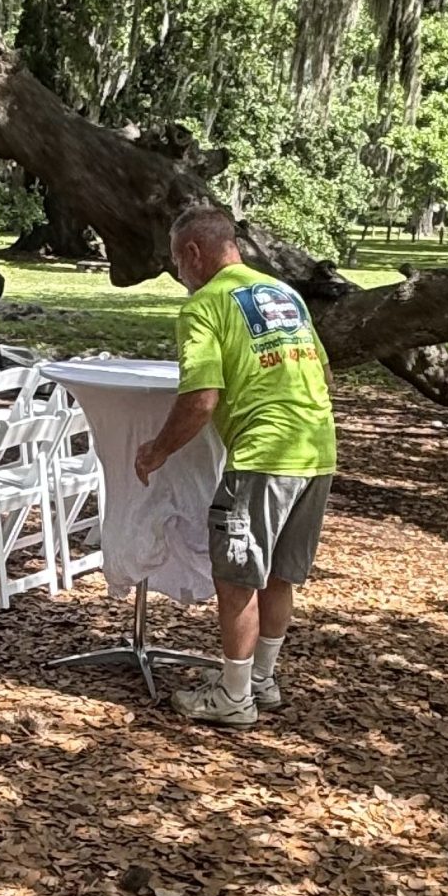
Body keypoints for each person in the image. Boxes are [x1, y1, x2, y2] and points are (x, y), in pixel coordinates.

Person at [134, 205, 335, 728]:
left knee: (237, 576)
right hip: (316, 449)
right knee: (279, 574)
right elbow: (324, 375)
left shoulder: (205, 305)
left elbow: (201, 398)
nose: (179, 276)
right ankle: (261, 679)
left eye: (177, 263)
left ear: (194, 254)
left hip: (262, 455)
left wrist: (156, 450)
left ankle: (234, 696)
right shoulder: (283, 293)